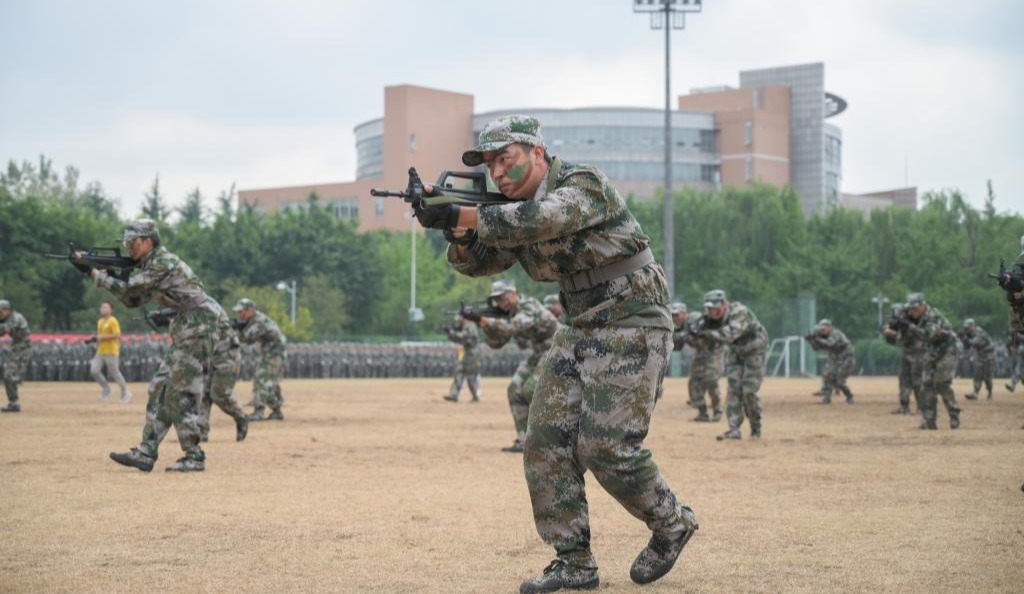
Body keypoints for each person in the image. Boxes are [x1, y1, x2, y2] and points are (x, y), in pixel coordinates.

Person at [418, 115, 698, 591]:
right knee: (544, 441)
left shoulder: (583, 184)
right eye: (489, 165)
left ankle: (672, 522)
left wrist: (462, 215)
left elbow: (544, 219)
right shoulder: (509, 211)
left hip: (632, 319)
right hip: (577, 324)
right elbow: (484, 262)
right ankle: (574, 561)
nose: (497, 172)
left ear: (537, 152)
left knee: (606, 448)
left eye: (504, 159)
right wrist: (459, 236)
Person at [82, 219, 229, 472]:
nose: (128, 247)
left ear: (148, 241)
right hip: (188, 323)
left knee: (179, 391)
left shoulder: (163, 262)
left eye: (133, 242)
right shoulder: (150, 265)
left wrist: (95, 275)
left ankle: (194, 455)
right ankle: (146, 452)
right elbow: (133, 299)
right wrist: (107, 275)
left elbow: (130, 289)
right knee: (159, 387)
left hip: (200, 323)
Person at [475, 280, 558, 453]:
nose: (500, 303)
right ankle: (524, 440)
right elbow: (496, 343)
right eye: (497, 300)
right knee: (514, 389)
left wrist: (489, 322)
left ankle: (551, 437)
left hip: (557, 348)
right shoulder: (508, 314)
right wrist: (485, 326)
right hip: (539, 352)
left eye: (503, 297)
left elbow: (513, 327)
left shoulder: (528, 305)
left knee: (531, 388)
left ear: (513, 293)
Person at [899, 293, 961, 430]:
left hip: (948, 350)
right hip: (932, 351)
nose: (911, 312)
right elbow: (905, 340)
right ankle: (929, 420)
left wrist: (909, 326)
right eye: (909, 309)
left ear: (922, 306)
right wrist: (902, 326)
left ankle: (954, 413)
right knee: (926, 384)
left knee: (941, 382)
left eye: (914, 309)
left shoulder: (933, 316)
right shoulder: (917, 318)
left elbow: (929, 335)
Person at [233, 298, 287, 421]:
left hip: (275, 353)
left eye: (241, 311)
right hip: (270, 353)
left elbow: (247, 339)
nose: (240, 314)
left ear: (249, 310)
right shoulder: (252, 321)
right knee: (270, 381)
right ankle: (277, 411)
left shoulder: (259, 322)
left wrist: (234, 330)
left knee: (261, 380)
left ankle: (258, 411)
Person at [674, 302, 725, 422]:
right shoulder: (680, 328)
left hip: (713, 351)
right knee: (694, 381)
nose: (675, 318)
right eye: (673, 315)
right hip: (700, 353)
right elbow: (677, 346)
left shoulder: (693, 318)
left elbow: (705, 330)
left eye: (677, 315)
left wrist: (685, 335)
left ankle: (717, 411)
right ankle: (703, 413)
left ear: (685, 313)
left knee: (711, 380)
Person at [881, 304, 923, 415]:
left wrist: (892, 333)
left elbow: (907, 337)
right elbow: (886, 328)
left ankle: (922, 408)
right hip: (906, 353)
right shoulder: (900, 323)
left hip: (918, 354)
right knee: (903, 380)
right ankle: (904, 406)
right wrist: (886, 329)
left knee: (917, 381)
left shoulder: (912, 322)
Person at [804, 319, 855, 404]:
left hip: (846, 358)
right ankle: (826, 398)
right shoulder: (824, 337)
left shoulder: (836, 333)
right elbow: (817, 348)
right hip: (835, 357)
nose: (821, 331)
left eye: (823, 329)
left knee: (839, 381)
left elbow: (830, 343)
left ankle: (850, 396)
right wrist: (811, 341)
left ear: (829, 327)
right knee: (828, 375)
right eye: (820, 330)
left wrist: (817, 339)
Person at [90, 301, 133, 403]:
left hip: (111, 351)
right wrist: (97, 342)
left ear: (111, 310)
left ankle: (125, 392)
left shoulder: (113, 321)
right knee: (94, 370)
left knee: (114, 373)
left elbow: (117, 335)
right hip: (101, 351)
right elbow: (99, 335)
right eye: (102, 307)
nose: (103, 309)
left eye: (106, 307)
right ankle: (106, 389)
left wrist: (103, 337)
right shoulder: (100, 321)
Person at [0, 299, 32, 413]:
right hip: (16, 348)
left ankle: (14, 403)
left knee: (10, 375)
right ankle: (14, 403)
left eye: (1, 312)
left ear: (7, 310)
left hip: (23, 349)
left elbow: (4, 330)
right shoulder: (7, 318)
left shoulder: (16, 318)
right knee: (8, 375)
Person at [442, 314, 483, 403]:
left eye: (460, 318)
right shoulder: (466, 326)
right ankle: (454, 395)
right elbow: (458, 339)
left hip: (473, 353)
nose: (458, 320)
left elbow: (461, 337)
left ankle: (475, 396)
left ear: (465, 318)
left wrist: (451, 332)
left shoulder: (470, 326)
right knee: (459, 371)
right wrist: (450, 332)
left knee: (470, 376)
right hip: (468, 352)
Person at [960, 319, 995, 400]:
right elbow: (967, 347)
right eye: (965, 328)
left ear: (973, 326)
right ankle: (975, 393)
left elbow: (974, 343)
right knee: (977, 374)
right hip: (979, 355)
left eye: (968, 327)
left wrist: (965, 339)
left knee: (987, 376)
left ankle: (990, 392)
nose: (966, 329)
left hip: (988, 355)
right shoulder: (970, 334)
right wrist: (963, 339)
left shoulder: (980, 332)